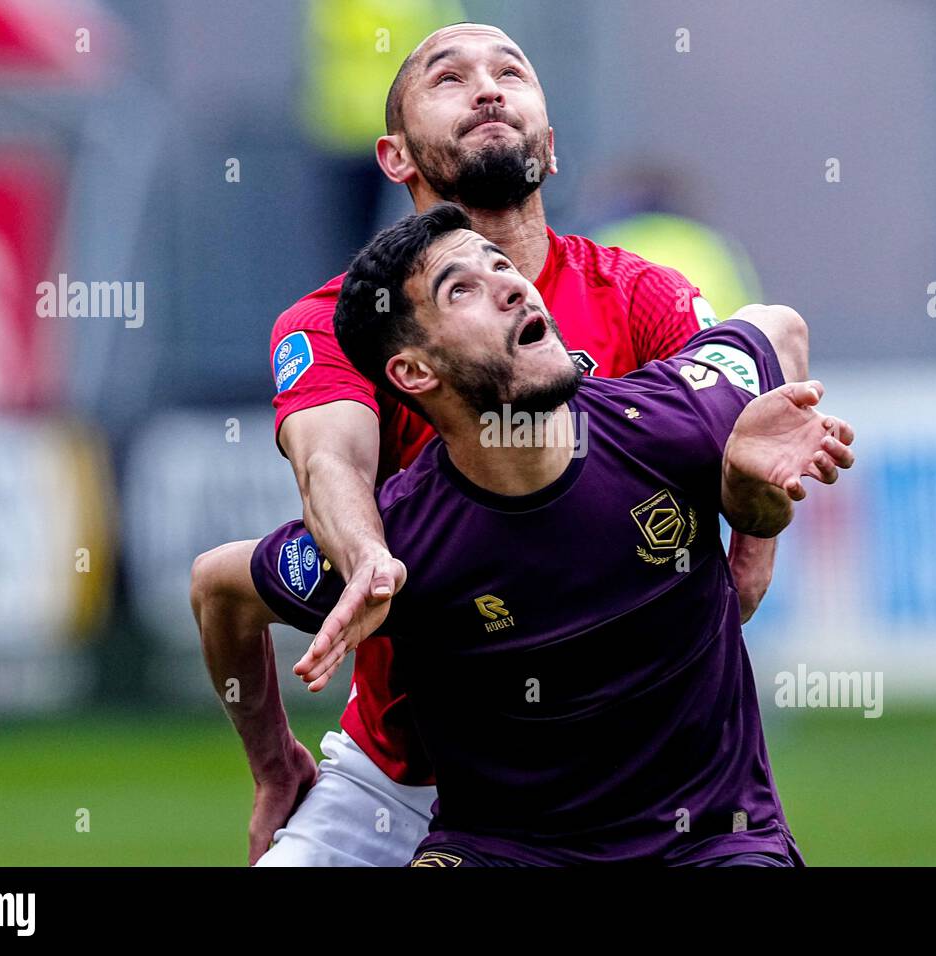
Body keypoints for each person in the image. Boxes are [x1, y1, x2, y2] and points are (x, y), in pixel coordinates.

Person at [190, 22, 809, 866]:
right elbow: (328, 461)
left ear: (549, 148)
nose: (487, 88)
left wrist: (755, 529)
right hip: (405, 772)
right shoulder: (344, 325)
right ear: (395, 156)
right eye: (449, 78)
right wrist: (368, 563)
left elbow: (752, 380)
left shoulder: (641, 295)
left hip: (633, 774)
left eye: (511, 72)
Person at [254, 203, 854, 865]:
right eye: (463, 288)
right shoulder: (398, 542)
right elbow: (223, 586)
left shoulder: (667, 416)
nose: (511, 286)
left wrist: (752, 522)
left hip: (712, 844)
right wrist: (274, 762)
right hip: (478, 832)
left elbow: (779, 329)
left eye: (504, 267)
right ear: (413, 373)